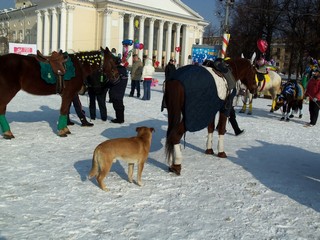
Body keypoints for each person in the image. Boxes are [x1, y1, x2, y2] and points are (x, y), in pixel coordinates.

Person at [110, 58, 129, 124]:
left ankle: (119, 119)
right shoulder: (124, 69)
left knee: (117, 105)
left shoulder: (116, 70)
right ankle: (121, 118)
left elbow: (114, 80)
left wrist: (109, 83)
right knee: (120, 104)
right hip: (121, 89)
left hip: (116, 89)